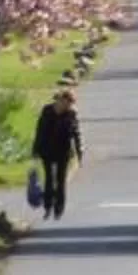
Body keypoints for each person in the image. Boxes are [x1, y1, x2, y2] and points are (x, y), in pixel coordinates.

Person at [31, 88, 86, 219]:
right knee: (49, 179)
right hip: (47, 149)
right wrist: (35, 149)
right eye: (67, 103)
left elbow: (77, 134)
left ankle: (59, 209)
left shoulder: (71, 114)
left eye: (70, 104)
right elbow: (39, 130)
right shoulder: (47, 111)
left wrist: (79, 153)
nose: (68, 106)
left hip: (63, 150)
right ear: (61, 100)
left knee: (61, 181)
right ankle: (48, 206)